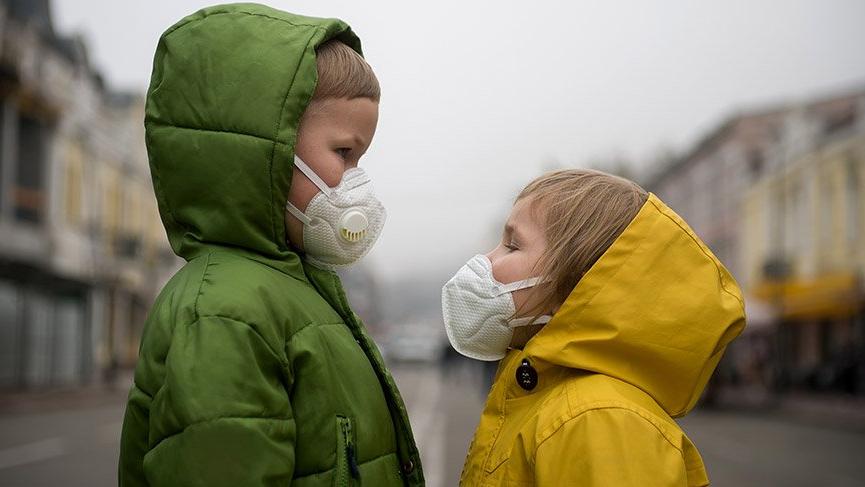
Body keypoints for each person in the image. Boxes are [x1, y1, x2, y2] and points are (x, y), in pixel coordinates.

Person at [118, 4, 423, 486]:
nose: (355, 179)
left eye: (360, 157)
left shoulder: (296, 287)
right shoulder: (224, 313)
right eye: (344, 152)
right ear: (267, 145)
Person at [442, 169, 746, 486]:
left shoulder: (598, 419)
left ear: (576, 285)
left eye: (513, 245)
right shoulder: (553, 397)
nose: (487, 260)